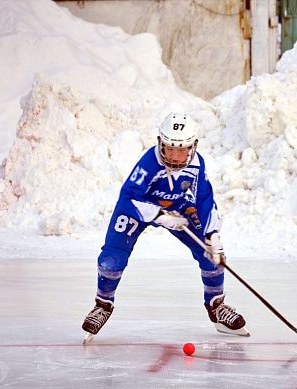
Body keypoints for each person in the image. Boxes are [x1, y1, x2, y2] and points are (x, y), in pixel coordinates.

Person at [82, 112, 248, 338]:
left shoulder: (198, 165)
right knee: (112, 260)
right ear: (160, 143)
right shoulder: (149, 163)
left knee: (212, 255)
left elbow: (205, 201)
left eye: (181, 150)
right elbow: (129, 196)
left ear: (192, 147)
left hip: (178, 209)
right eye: (170, 148)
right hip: (138, 209)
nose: (175, 156)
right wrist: (158, 215)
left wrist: (213, 234)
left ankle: (216, 305)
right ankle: (103, 304)